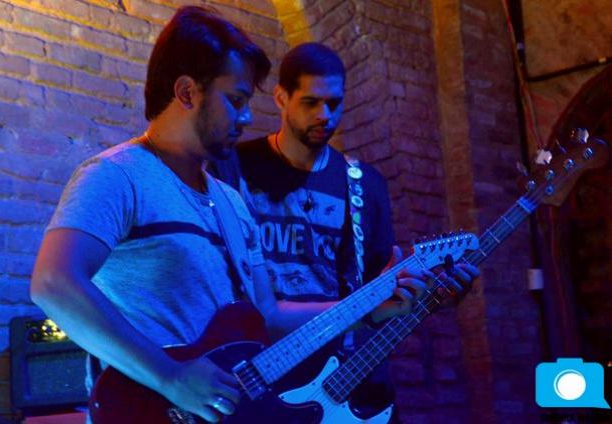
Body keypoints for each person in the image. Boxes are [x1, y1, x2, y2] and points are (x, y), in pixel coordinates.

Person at [30, 8, 430, 423]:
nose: (247, 117)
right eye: (236, 101)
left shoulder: (231, 202)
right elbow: (53, 283)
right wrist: (170, 376)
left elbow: (268, 316)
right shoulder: (117, 175)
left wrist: (367, 306)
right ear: (187, 92)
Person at [211, 42, 480, 420]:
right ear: (281, 98)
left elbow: (380, 299)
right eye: (311, 102)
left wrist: (435, 294)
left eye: (334, 103)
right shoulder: (234, 168)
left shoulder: (365, 185)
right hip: (259, 376)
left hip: (341, 383)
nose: (325, 115)